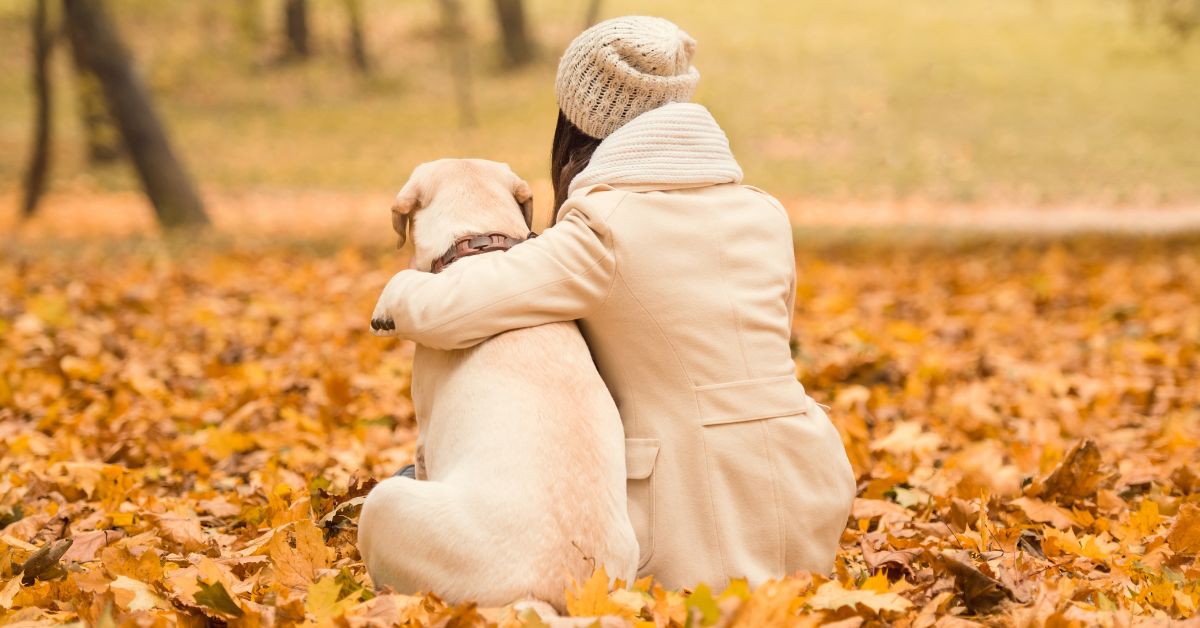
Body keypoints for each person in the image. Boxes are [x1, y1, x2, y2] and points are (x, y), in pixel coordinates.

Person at [368, 15, 856, 591]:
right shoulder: (762, 211)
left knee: (416, 489)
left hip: (688, 519)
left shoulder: (604, 228)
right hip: (808, 494)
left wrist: (397, 293)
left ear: (579, 121)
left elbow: (453, 310)